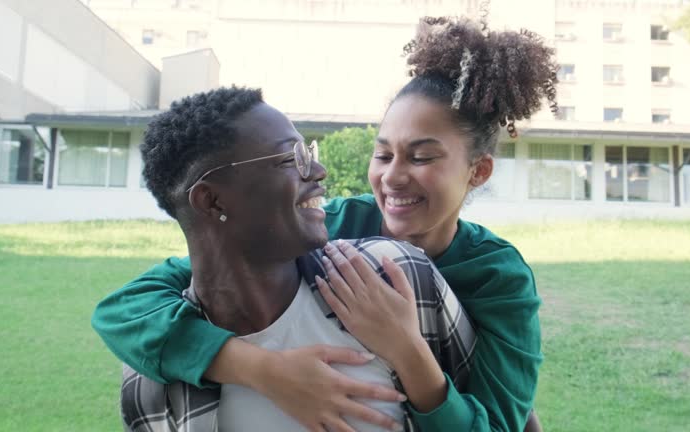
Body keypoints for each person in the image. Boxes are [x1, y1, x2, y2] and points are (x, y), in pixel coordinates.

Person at [93, 16, 558, 431]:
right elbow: (128, 307)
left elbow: (506, 419)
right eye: (383, 154)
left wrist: (406, 347)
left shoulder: (498, 276)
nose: (393, 176)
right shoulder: (337, 223)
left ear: (477, 171)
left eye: (421, 156)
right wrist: (260, 369)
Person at [118, 86, 479, 431]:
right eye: (291, 159)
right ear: (212, 201)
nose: (318, 172)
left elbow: (505, 418)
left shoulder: (395, 277)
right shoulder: (152, 375)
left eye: (309, 153)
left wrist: (410, 352)